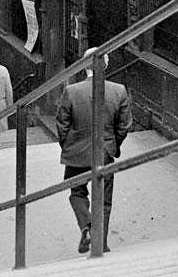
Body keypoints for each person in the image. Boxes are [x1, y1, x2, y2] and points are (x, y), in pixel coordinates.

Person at [56, 47, 132, 255]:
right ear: (105, 64)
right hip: (104, 152)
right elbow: (124, 126)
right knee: (104, 200)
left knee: (76, 191)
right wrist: (112, 145)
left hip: (76, 153)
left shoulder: (71, 91)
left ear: (84, 66)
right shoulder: (119, 91)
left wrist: (69, 145)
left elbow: (62, 125)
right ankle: (101, 244)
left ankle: (87, 226)